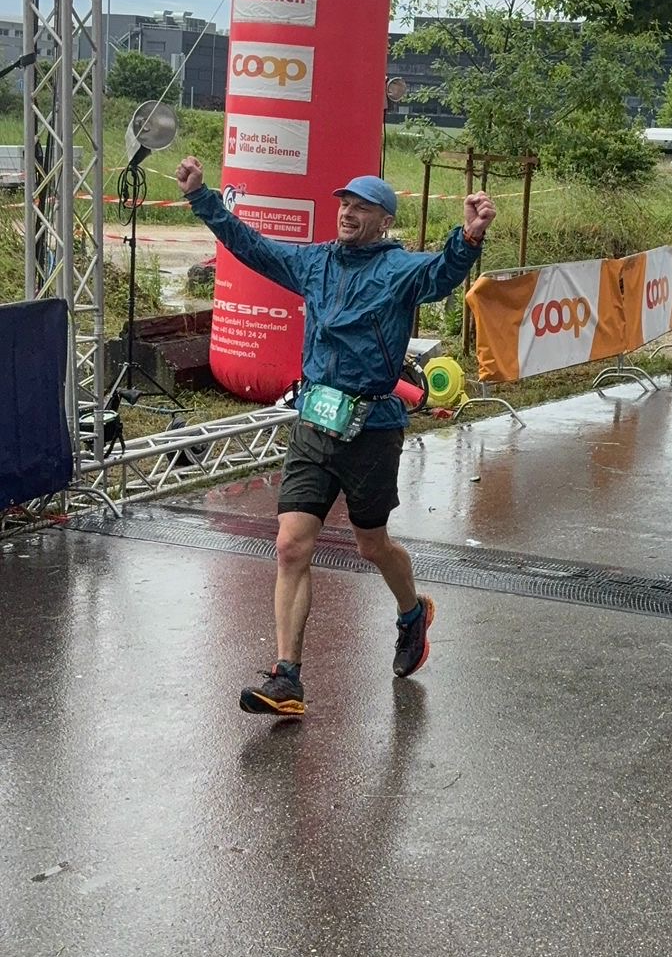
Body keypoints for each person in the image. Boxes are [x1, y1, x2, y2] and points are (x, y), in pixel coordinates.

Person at [175, 157, 496, 716]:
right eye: (344, 204)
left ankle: (412, 613)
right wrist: (202, 198)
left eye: (361, 207)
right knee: (291, 545)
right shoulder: (314, 262)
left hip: (373, 428)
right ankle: (286, 678)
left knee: (372, 544)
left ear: (384, 220)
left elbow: (442, 274)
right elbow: (251, 246)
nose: (347, 213)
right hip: (315, 422)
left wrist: (468, 237)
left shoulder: (398, 270)